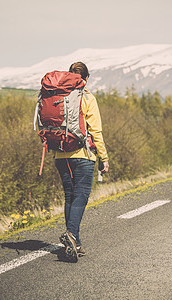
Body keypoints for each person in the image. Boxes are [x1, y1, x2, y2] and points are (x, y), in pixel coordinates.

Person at [56, 62, 109, 261]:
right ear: (86, 78)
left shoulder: (58, 97)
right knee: (81, 196)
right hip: (83, 155)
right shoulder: (87, 97)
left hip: (61, 155)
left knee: (69, 196)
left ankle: (75, 242)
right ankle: (71, 234)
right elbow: (96, 131)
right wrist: (104, 157)